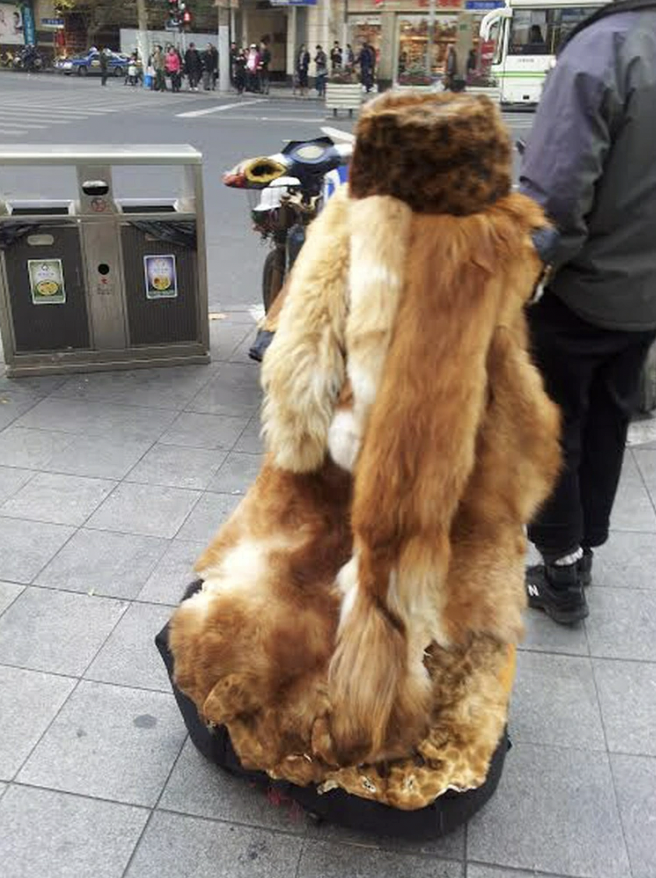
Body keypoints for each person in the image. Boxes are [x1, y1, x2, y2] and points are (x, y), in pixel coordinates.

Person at [520, 0, 656, 625]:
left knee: (550, 432)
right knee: (609, 421)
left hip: (581, 291)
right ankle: (586, 546)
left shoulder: (605, 48)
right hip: (645, 298)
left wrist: (521, 273)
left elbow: (554, 199)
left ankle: (562, 572)